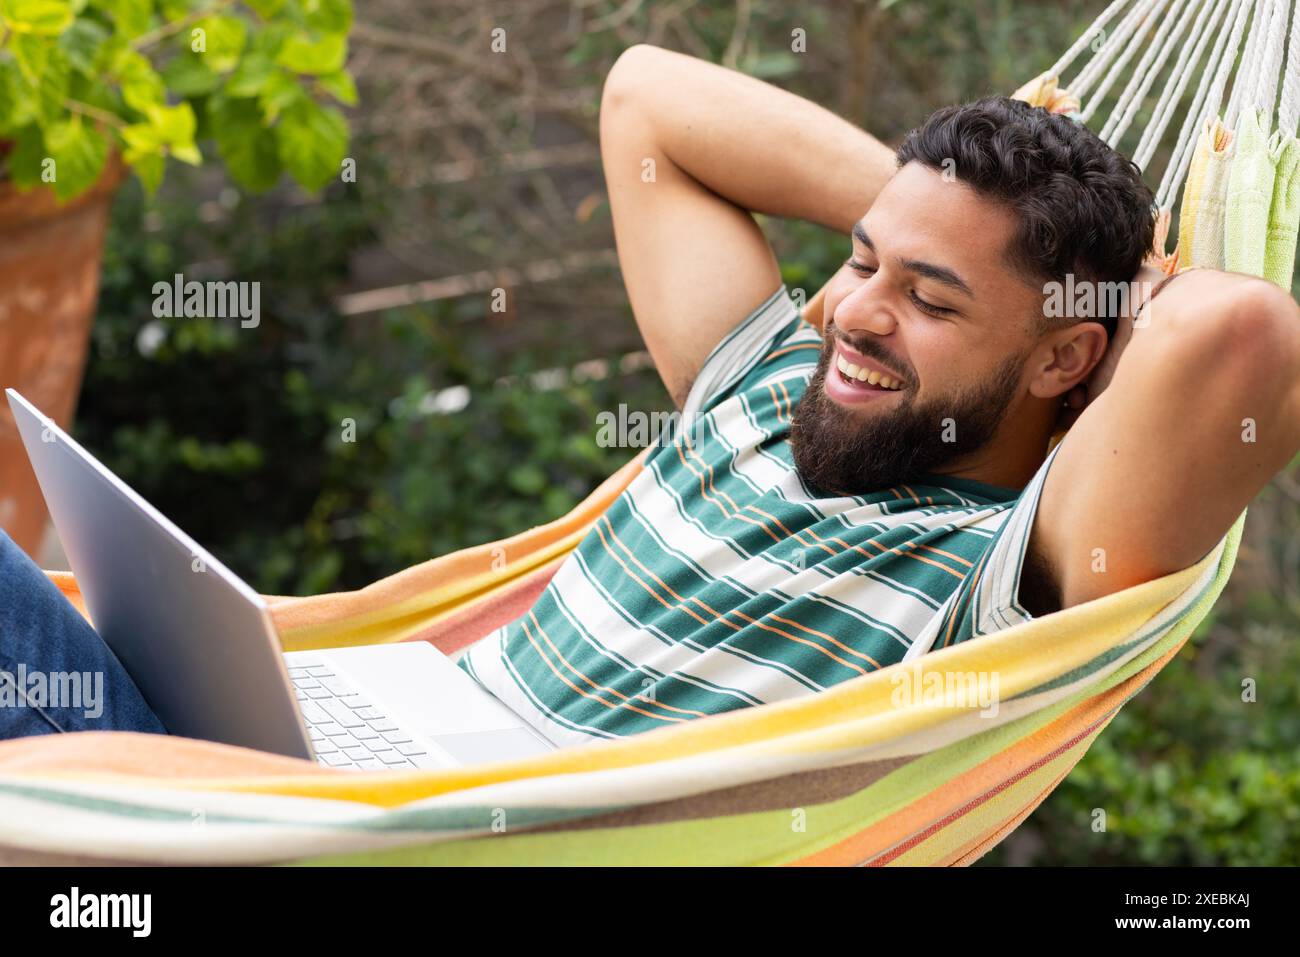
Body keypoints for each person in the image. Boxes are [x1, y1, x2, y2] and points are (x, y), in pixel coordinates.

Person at [2, 45, 1298, 748]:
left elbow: (1243, 333)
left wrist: (1096, 291)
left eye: (931, 300)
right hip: (336, 726)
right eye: (856, 260)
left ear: (1071, 353)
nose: (851, 310)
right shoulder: (769, 380)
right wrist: (940, 220)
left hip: (394, 830)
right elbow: (646, 96)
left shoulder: (1000, 575)